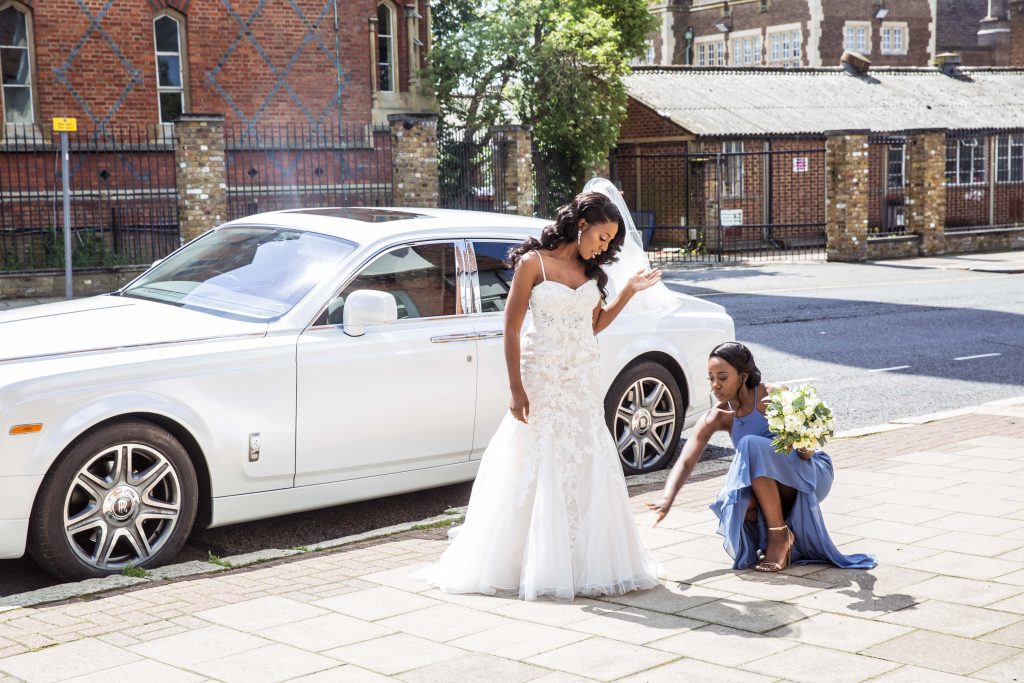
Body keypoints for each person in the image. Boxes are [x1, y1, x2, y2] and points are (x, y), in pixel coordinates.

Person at [415, 191, 664, 600]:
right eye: (602, 237)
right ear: (582, 225)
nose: (605, 247)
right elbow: (510, 328)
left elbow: (594, 325)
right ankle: (526, 559)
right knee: (535, 455)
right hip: (542, 376)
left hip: (581, 376)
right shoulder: (534, 264)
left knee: (583, 455)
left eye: (610, 242)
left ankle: (580, 558)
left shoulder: (590, 272)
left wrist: (630, 291)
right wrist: (516, 388)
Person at [647, 342, 875, 572]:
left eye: (723, 377)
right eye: (711, 378)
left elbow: (807, 453)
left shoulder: (773, 396)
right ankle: (782, 536)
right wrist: (667, 499)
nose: (715, 385)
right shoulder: (719, 416)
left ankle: (778, 537)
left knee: (750, 445)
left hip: (809, 474)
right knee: (731, 502)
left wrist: (803, 441)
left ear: (743, 376)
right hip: (772, 486)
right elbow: (686, 461)